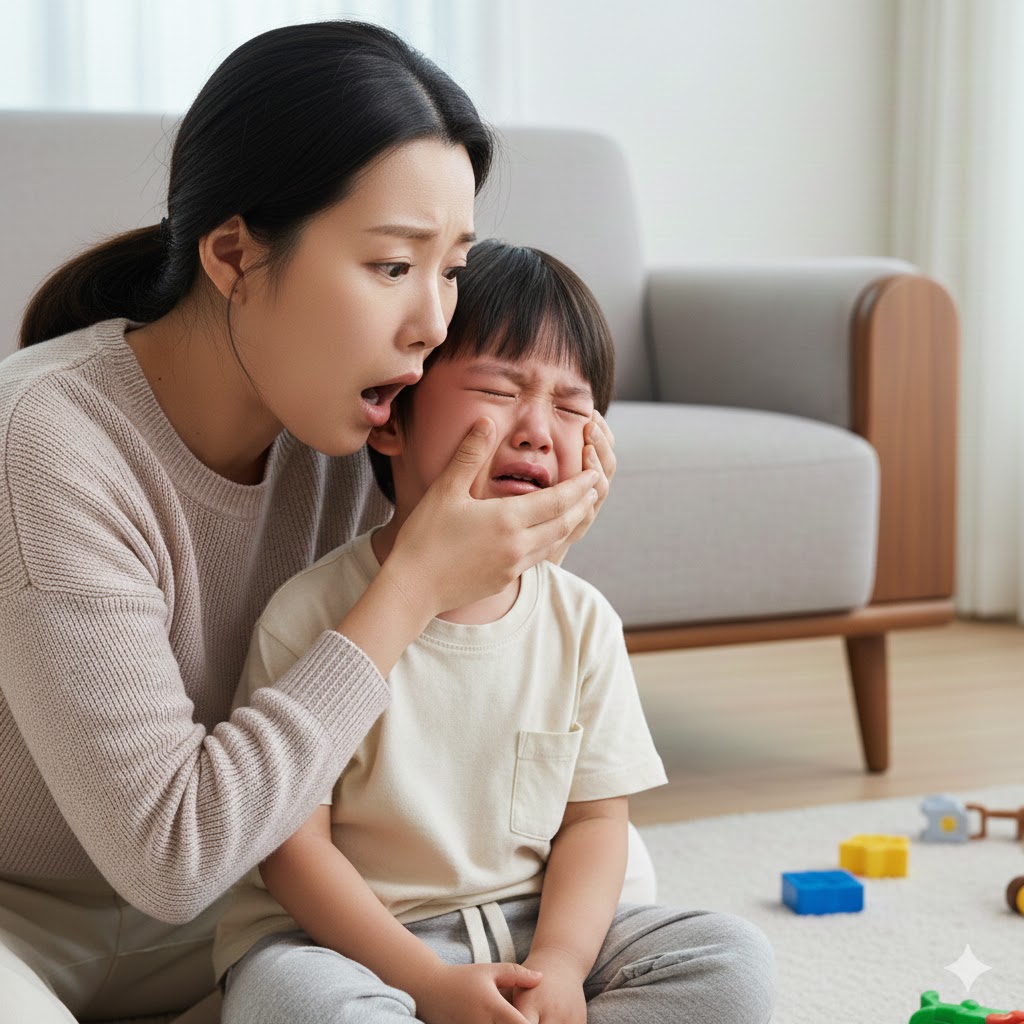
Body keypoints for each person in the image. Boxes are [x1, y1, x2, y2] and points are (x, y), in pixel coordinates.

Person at [0, 24, 616, 1024]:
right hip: (30, 919)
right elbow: (171, 855)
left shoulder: (361, 422)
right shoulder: (45, 440)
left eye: (450, 267)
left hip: (243, 907)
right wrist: (408, 583)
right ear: (235, 253)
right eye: (389, 266)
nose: (431, 323)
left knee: (607, 878)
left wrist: (519, 532)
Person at [213, 240, 777, 1024]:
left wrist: (560, 966)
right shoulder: (311, 616)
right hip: (352, 948)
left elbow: (594, 824)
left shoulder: (580, 622)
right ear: (392, 420)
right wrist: (427, 984)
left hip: (526, 929)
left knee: (733, 963)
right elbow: (292, 852)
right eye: (500, 390)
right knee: (295, 1000)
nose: (539, 430)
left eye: (573, 408)